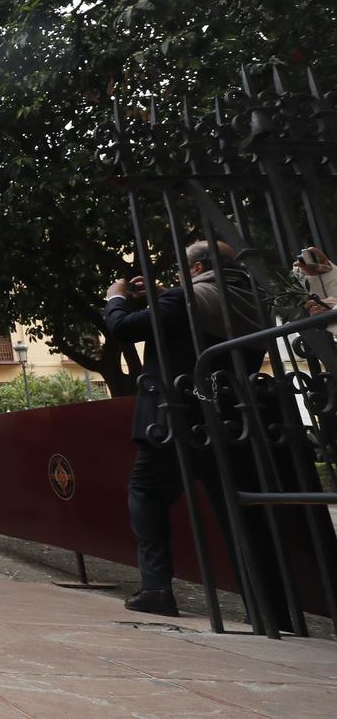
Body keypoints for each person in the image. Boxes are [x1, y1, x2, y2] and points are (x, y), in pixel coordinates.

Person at [105, 240, 276, 618]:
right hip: (235, 421)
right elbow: (196, 320)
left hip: (177, 419)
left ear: (197, 269)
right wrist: (164, 295)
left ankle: (157, 588)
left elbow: (122, 328)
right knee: (239, 510)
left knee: (146, 493)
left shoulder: (184, 300)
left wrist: (115, 297)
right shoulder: (256, 300)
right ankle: (268, 608)